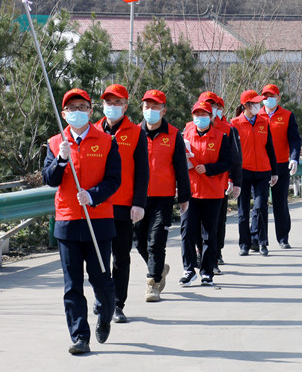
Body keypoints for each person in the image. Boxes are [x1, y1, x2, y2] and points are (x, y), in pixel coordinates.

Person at [42, 88, 122, 355]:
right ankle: (79, 337)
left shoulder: (107, 141)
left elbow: (114, 180)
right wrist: (61, 160)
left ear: (90, 111)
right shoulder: (56, 143)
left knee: (101, 281)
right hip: (67, 222)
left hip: (98, 221)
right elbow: (49, 179)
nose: (77, 112)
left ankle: (105, 314)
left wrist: (93, 195)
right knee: (72, 286)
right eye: (71, 108)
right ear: (64, 114)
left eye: (82, 107)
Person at [93, 84, 148, 323]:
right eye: (108, 102)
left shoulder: (136, 133)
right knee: (98, 258)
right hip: (98, 205)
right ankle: (101, 298)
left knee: (121, 257)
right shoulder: (94, 130)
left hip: (124, 205)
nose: (112, 106)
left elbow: (143, 172)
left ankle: (117, 303)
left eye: (117, 103)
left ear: (125, 106)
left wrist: (139, 203)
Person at [134, 89, 191, 302]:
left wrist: (184, 197)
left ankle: (153, 283)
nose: (150, 110)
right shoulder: (134, 133)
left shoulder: (174, 135)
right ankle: (159, 268)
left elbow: (181, 168)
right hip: (138, 197)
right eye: (147, 106)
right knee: (140, 242)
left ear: (163, 110)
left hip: (163, 197)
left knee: (156, 241)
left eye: (155, 107)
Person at [180, 100, 232, 286]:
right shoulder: (186, 135)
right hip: (191, 192)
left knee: (209, 235)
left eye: (204, 114)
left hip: (212, 192)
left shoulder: (221, 137)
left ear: (211, 117)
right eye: (197, 114)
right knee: (187, 231)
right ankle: (188, 269)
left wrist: (208, 169)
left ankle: (207, 272)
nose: (200, 118)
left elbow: (228, 162)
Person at [197, 91, 242, 274]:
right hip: (196, 186)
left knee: (216, 223)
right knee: (196, 225)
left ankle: (215, 255)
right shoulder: (190, 128)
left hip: (219, 184)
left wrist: (234, 180)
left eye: (214, 105)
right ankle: (201, 254)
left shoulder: (228, 129)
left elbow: (234, 159)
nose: (210, 108)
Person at [231, 89, 278, 256]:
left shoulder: (264, 122)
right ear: (246, 105)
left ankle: (261, 242)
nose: (259, 105)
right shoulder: (234, 124)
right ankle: (244, 244)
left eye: (259, 102)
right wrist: (231, 176)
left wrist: (274, 171)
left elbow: (270, 147)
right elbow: (232, 152)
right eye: (255, 103)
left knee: (260, 207)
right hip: (243, 172)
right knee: (243, 210)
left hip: (263, 171)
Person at [261, 84, 301, 249]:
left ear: (278, 98)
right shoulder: (257, 115)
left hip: (281, 164)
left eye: (272, 96)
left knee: (280, 203)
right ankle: (260, 240)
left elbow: (295, 139)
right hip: (261, 165)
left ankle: (283, 238)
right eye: (266, 96)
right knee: (260, 204)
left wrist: (294, 158)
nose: (268, 99)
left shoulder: (287, 115)